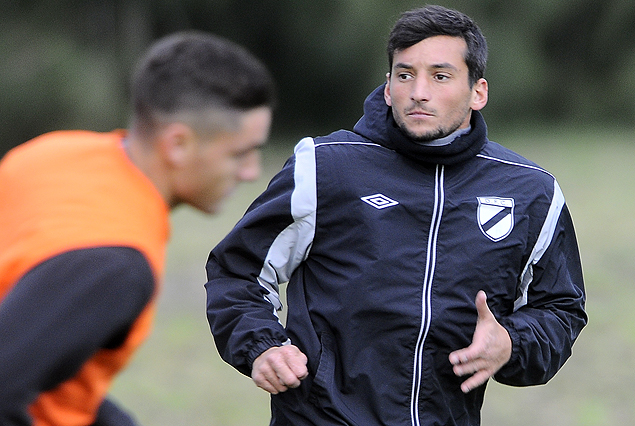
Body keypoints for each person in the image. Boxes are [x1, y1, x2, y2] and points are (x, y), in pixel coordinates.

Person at [205, 5, 587, 426]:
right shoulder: (326, 167)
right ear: (388, 88)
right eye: (405, 75)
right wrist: (262, 345)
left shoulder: (531, 191)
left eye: (440, 76)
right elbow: (236, 270)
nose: (418, 91)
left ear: (478, 92)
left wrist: (510, 344)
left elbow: (560, 309)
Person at [0, 31, 275, 426]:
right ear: (177, 145)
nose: (251, 172)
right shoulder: (115, 264)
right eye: (240, 153)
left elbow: (46, 364)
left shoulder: (48, 154)